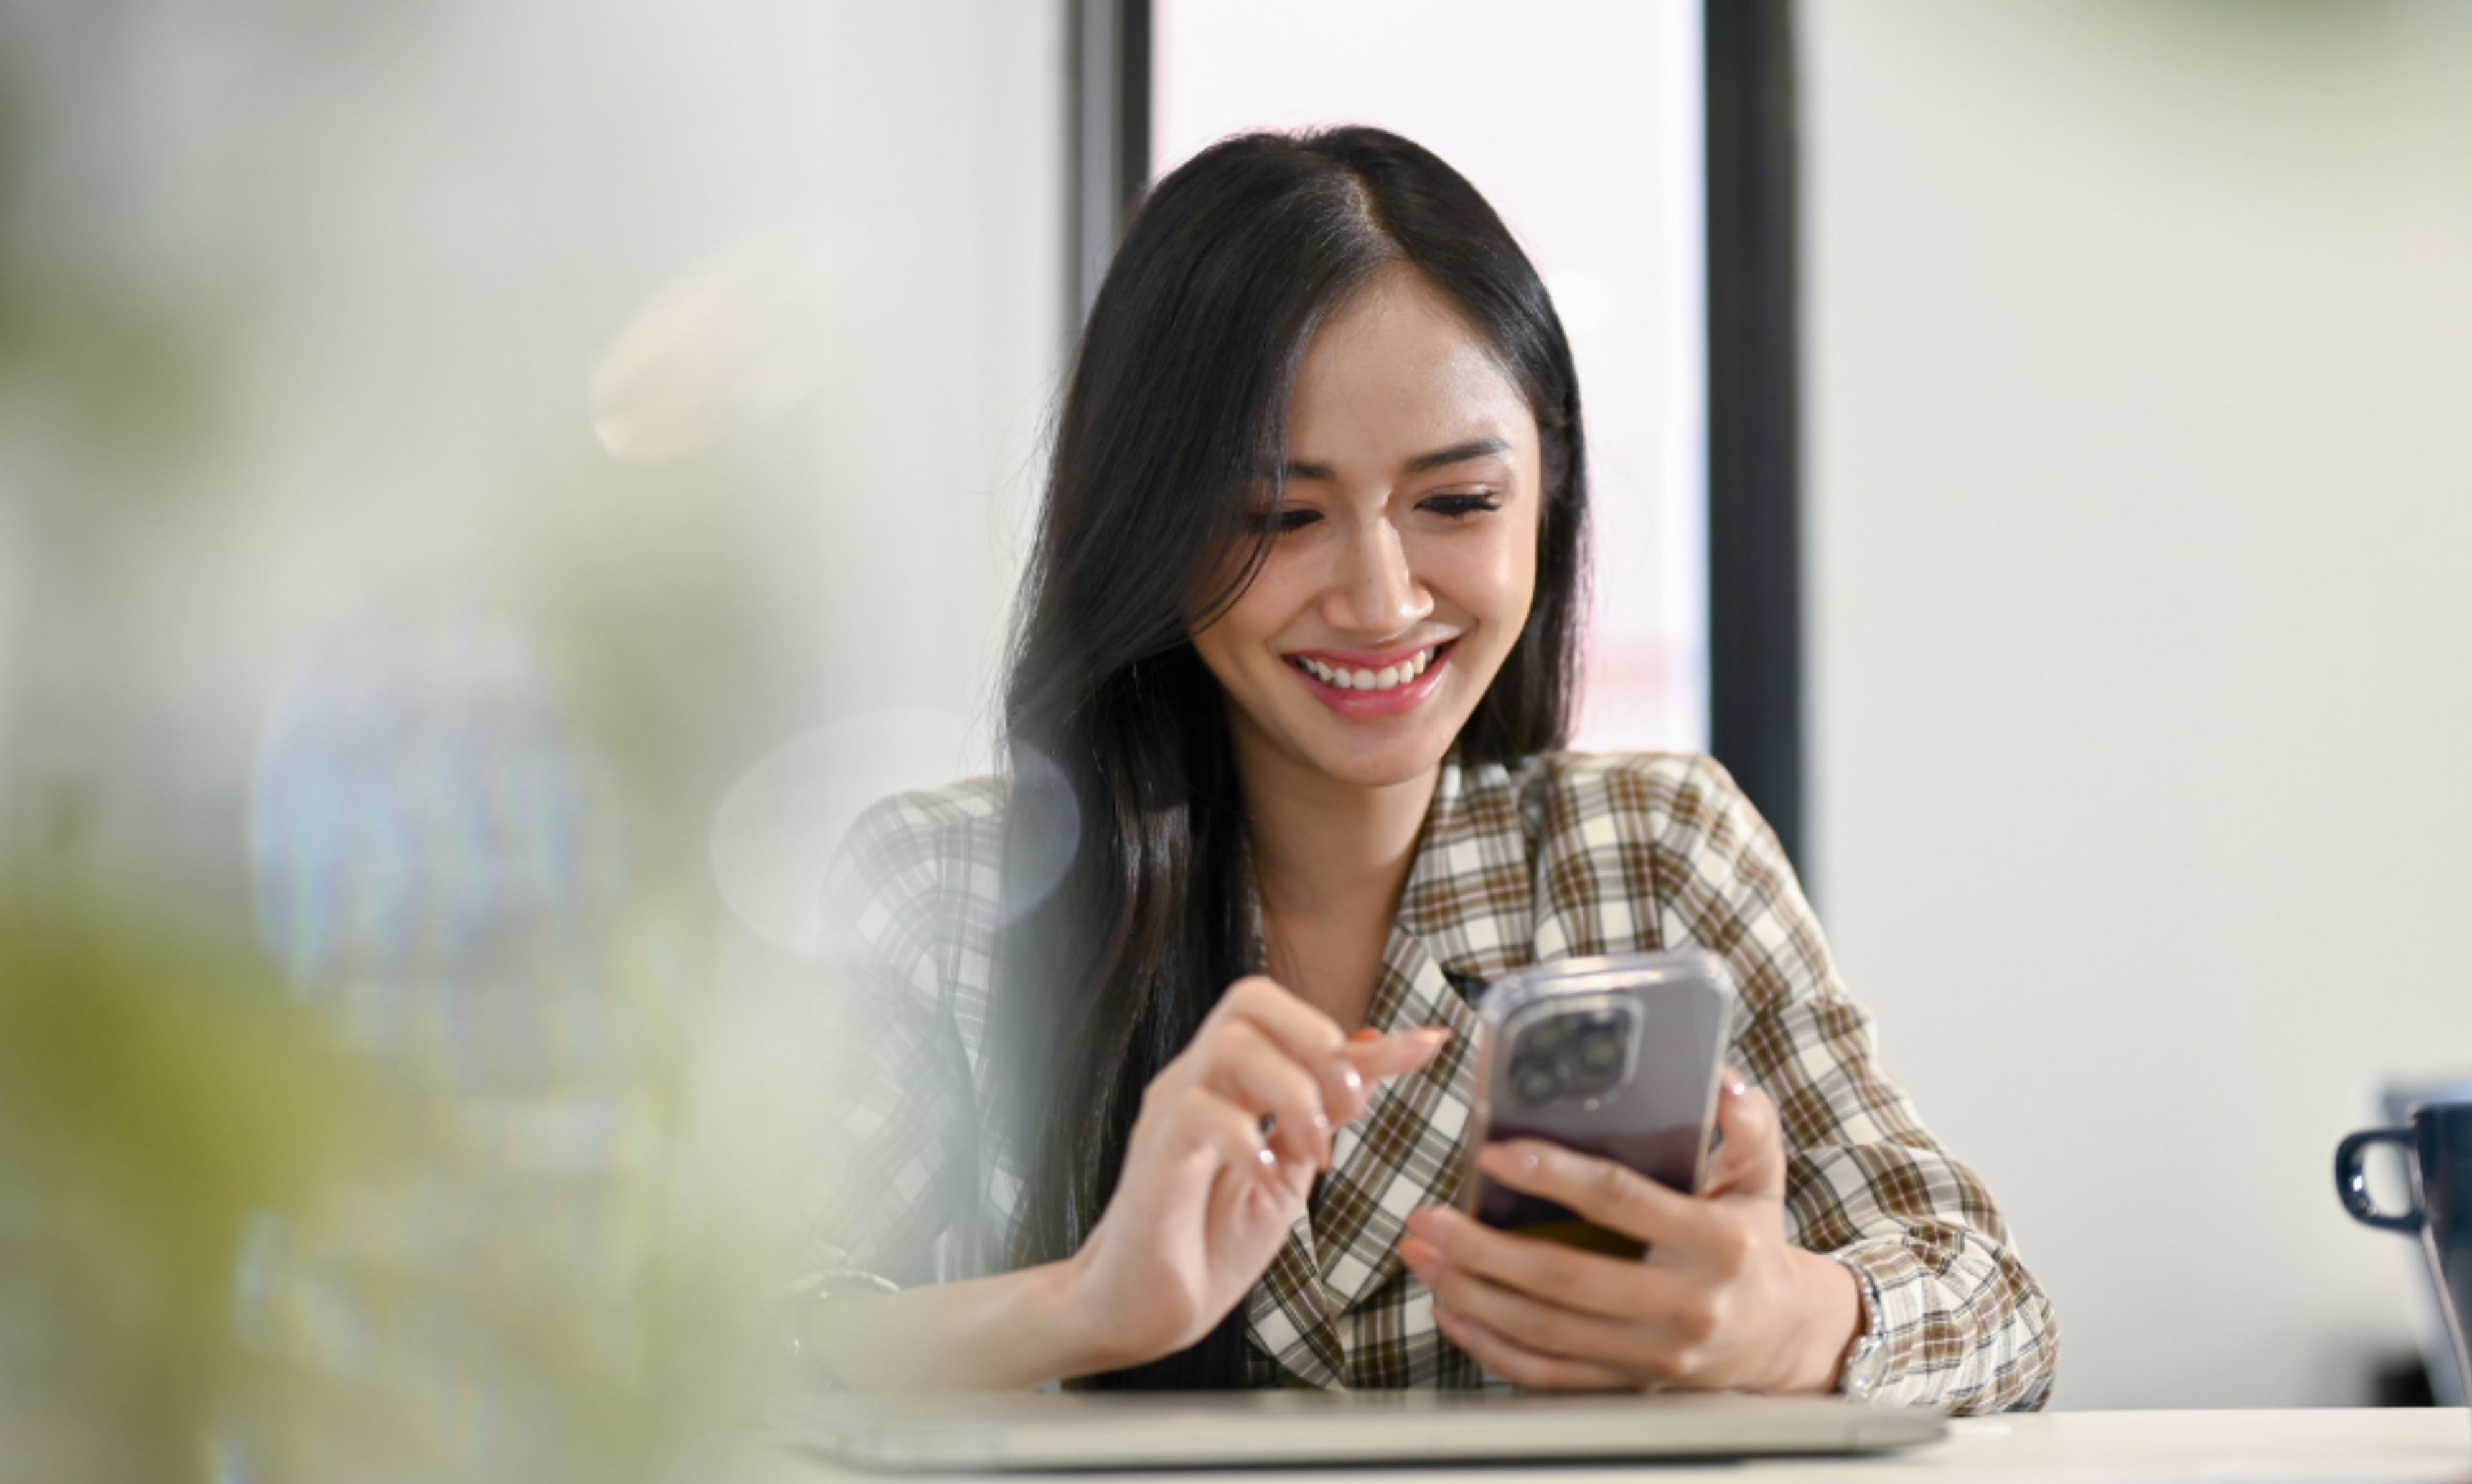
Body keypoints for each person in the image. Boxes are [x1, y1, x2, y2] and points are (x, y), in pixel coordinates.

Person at [788, 126, 2055, 1410]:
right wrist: (1083, 1306)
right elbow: (719, 1355)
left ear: (1547, 493)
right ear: (1150, 529)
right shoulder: (947, 896)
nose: (1382, 601)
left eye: (1456, 505)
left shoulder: (1659, 851)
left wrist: (1782, 1324)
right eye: (1278, 516)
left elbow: (1994, 1305)